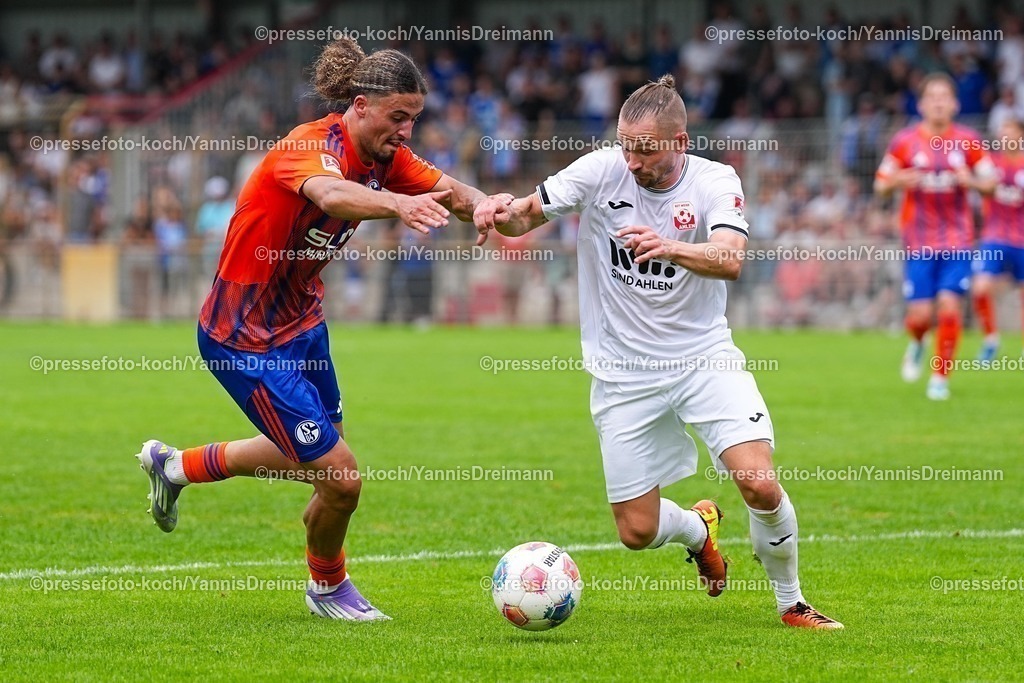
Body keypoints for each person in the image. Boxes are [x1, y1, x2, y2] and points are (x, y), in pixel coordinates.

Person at [136, 38, 509, 621]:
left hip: (301, 322)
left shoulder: (385, 157)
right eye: (398, 117)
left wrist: (486, 205)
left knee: (319, 460)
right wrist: (397, 208)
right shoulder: (308, 146)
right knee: (340, 479)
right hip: (243, 334)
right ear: (359, 106)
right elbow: (332, 195)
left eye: (415, 118)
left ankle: (177, 466)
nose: (408, 130)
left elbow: (449, 192)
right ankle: (328, 588)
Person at [474, 75, 842, 629]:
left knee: (758, 482)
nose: (633, 159)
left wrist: (667, 245)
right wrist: (495, 210)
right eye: (626, 144)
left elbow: (731, 258)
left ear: (680, 142)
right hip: (623, 375)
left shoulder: (716, 180)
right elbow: (527, 214)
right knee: (637, 533)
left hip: (703, 360)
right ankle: (699, 531)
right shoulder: (601, 170)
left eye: (645, 148)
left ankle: (791, 602)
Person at [874, 72, 996, 400]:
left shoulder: (969, 140)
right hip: (918, 242)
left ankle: (940, 377)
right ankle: (917, 341)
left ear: (954, 104)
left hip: (958, 241)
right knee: (920, 316)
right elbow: (880, 184)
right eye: (933, 97)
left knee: (949, 308)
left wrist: (970, 180)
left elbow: (992, 183)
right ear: (922, 103)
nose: (939, 102)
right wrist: (899, 181)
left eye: (945, 96)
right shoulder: (904, 141)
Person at [971, 118, 1024, 361]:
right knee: (980, 287)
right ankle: (991, 339)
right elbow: (978, 185)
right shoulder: (990, 163)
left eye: (1010, 131)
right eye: (1001, 131)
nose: (1004, 136)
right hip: (995, 236)